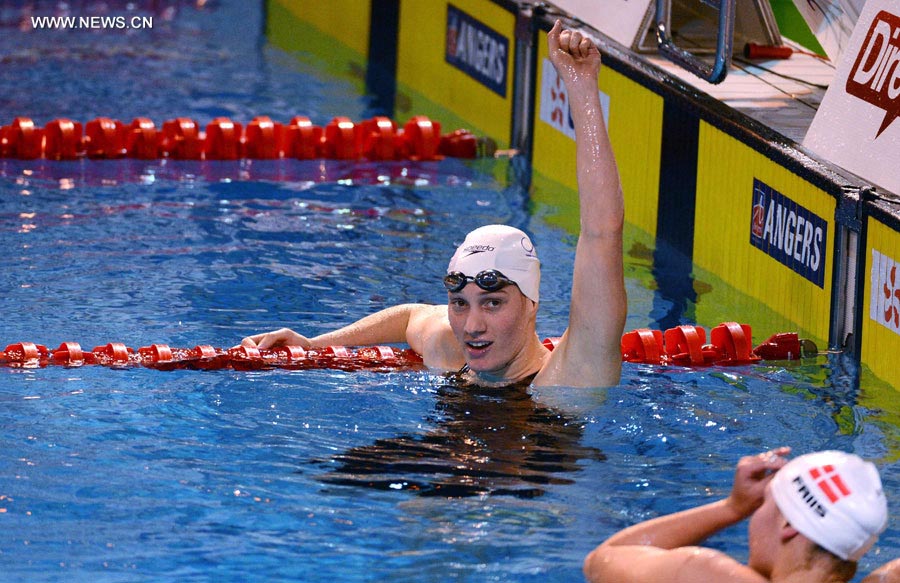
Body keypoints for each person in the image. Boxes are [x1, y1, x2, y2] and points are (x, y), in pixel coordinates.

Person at [242, 20, 626, 388]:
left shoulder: (569, 377)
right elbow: (412, 315)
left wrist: (581, 86)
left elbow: (601, 231)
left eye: (492, 304)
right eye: (460, 303)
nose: (472, 326)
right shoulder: (450, 348)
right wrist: (315, 345)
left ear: (531, 305)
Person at [583, 447, 889, 583]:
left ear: (787, 526)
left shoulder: (706, 574)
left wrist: (731, 507)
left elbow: (603, 560)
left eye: (765, 502)